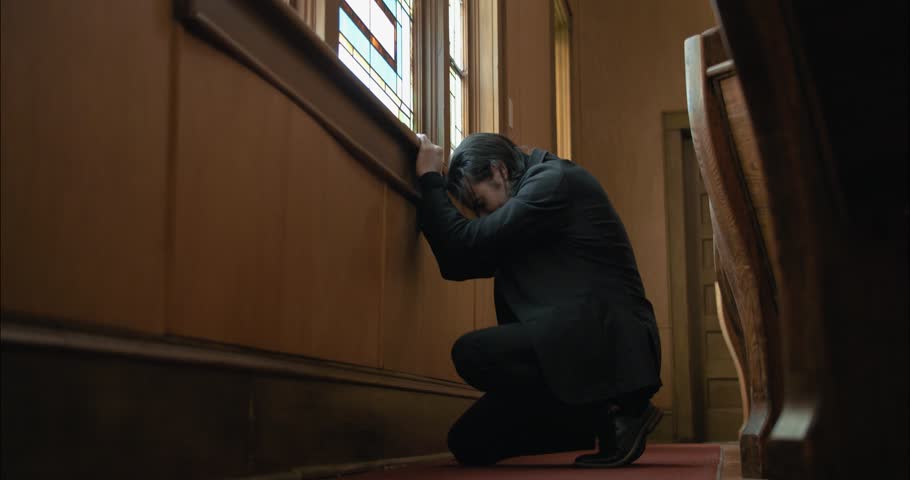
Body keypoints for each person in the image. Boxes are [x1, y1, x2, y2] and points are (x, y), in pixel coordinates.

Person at [414, 132, 663, 468]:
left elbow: (462, 249)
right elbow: (461, 259)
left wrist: (430, 179)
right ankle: (594, 420)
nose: (482, 216)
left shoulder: (553, 182)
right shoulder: (531, 199)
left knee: (472, 353)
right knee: (469, 443)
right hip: (572, 342)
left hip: (609, 342)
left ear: (499, 170)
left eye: (480, 204)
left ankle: (618, 409)